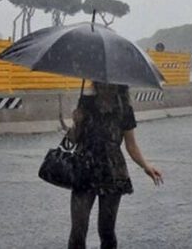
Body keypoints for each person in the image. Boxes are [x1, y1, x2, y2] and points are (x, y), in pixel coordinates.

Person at [67, 82, 163, 249]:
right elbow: (73, 139)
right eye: (103, 84)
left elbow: (131, 145)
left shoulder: (124, 109)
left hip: (112, 172)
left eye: (112, 85)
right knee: (78, 230)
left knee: (106, 230)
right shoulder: (85, 103)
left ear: (119, 87)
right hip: (84, 169)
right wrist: (76, 122)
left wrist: (146, 166)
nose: (107, 88)